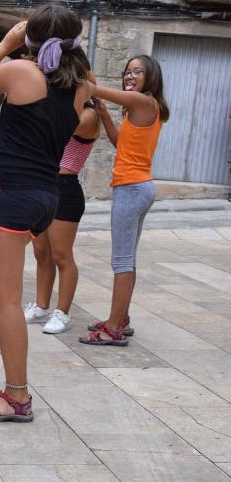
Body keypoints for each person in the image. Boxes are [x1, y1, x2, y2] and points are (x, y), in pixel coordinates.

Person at [0, 4, 91, 423]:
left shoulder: (22, 71)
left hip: (10, 194)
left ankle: (18, 396)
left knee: (6, 297)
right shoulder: (80, 83)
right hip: (45, 194)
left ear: (31, 39)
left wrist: (6, 43)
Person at [79, 55, 169, 346]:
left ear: (150, 76)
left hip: (132, 189)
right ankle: (121, 318)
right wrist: (104, 113)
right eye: (127, 72)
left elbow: (94, 89)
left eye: (137, 72)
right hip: (136, 187)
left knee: (121, 261)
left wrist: (75, 69)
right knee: (126, 258)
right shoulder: (140, 109)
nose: (129, 76)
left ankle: (114, 328)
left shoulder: (144, 102)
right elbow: (121, 144)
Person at [25, 100, 100, 334]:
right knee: (41, 251)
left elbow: (57, 126)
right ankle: (41, 306)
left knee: (61, 255)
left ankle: (63, 313)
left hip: (66, 189)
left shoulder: (89, 115)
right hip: (43, 184)